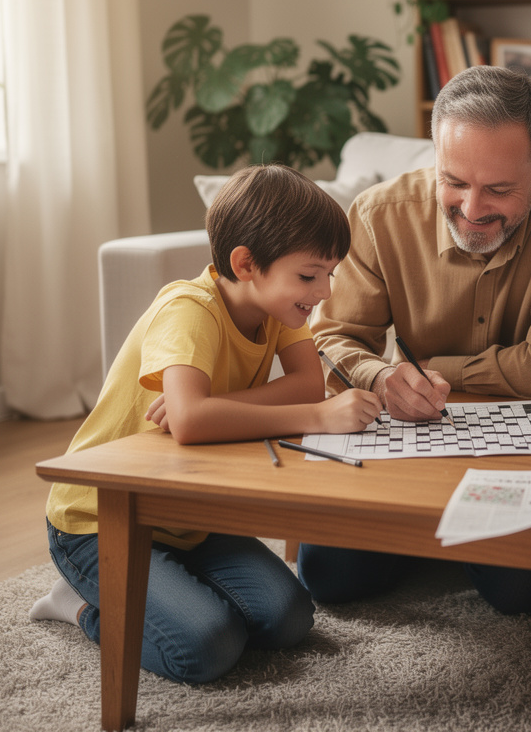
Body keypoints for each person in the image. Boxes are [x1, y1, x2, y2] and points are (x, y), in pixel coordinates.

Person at [30, 164, 383, 684]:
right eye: (310, 274)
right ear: (245, 264)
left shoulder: (280, 308)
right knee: (207, 648)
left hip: (188, 513)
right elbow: (200, 422)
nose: (325, 291)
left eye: (329, 273)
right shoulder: (188, 309)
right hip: (103, 517)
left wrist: (215, 406)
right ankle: (80, 607)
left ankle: (167, 593)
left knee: (289, 618)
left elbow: (306, 383)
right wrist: (311, 417)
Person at [305, 65, 531, 614]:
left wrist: (429, 365)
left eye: (499, 189)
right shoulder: (379, 217)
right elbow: (333, 336)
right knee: (328, 577)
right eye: (454, 182)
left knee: (525, 595)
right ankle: (444, 536)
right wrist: (382, 374)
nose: (472, 211)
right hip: (411, 440)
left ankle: (442, 541)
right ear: (434, 158)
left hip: (522, 446)